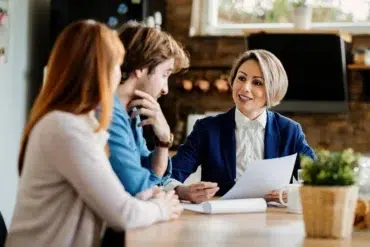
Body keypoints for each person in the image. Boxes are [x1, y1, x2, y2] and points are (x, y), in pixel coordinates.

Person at [5, 20, 182, 247]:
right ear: (101, 70)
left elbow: (125, 194)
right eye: (117, 66)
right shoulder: (66, 128)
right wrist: (161, 208)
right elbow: (123, 214)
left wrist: (153, 198)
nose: (121, 75)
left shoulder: (77, 122)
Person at [168, 49, 316, 203]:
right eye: (241, 78)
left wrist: (292, 191)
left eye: (257, 82)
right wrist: (184, 192)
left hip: (273, 219)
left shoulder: (290, 130)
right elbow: (169, 175)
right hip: (221, 219)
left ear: (272, 91)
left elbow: (317, 176)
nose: (245, 87)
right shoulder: (207, 129)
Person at [105, 22, 189, 196]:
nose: (165, 89)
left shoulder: (132, 112)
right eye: (164, 74)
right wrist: (156, 191)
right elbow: (141, 190)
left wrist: (164, 139)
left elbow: (151, 173)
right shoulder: (108, 114)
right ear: (141, 68)